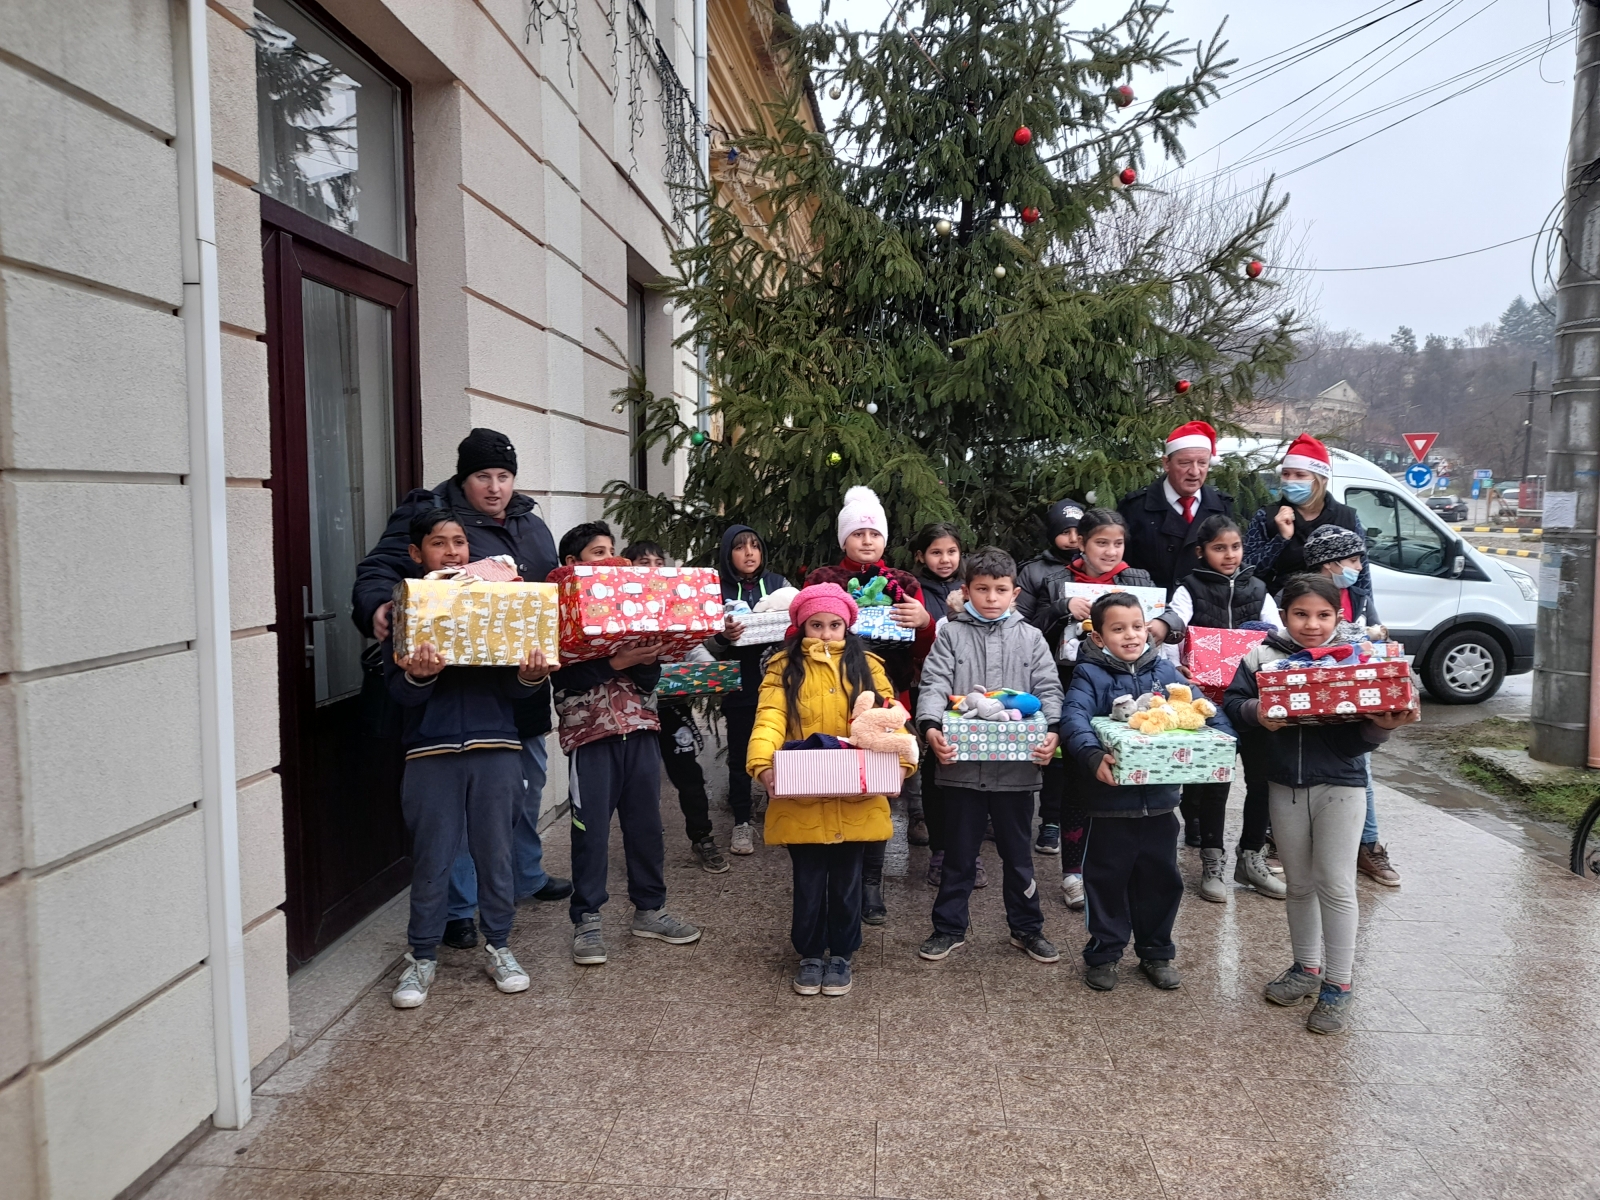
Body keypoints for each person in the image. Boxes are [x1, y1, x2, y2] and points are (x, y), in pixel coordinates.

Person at [351, 428, 570, 952]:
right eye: (481, 476)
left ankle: (525, 874)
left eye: (502, 476)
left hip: (517, 683)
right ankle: (462, 908)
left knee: (525, 786)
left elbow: (549, 589)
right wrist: (381, 606)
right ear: (462, 477)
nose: (493, 487)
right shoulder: (428, 516)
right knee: (465, 809)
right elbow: (378, 571)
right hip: (451, 694)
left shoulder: (531, 523)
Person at [1223, 575, 1418, 1034]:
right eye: (1301, 614)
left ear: (1339, 617)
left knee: (1335, 882)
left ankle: (1339, 984)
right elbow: (1233, 703)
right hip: (1283, 785)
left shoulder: (1357, 660)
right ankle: (1307, 969)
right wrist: (1258, 714)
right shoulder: (1261, 655)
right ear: (1284, 614)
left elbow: (1365, 731)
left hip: (1341, 785)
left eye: (1324, 615)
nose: (1313, 625)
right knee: (1299, 883)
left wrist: (1384, 726)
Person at [385, 511, 546, 1008]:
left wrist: (531, 675)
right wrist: (420, 676)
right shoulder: (408, 606)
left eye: (459, 542)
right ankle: (421, 957)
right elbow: (399, 694)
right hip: (430, 755)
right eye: (439, 543)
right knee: (433, 858)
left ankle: (499, 946)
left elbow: (511, 685)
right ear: (417, 554)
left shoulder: (494, 601)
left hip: (496, 749)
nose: (452, 552)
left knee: (496, 854)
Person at [746, 584, 915, 997]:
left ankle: (841, 953)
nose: (824, 633)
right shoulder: (783, 668)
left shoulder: (867, 666)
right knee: (807, 878)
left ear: (847, 626)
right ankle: (808, 953)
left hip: (856, 792)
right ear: (801, 625)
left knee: (847, 878)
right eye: (816, 625)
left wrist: (902, 764)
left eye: (834, 625)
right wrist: (763, 764)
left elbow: (890, 719)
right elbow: (770, 718)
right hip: (802, 793)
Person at [552, 526, 701, 965]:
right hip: (590, 737)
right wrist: (615, 662)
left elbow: (650, 679)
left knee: (646, 826)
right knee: (590, 832)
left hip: (640, 729)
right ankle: (587, 920)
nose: (612, 561)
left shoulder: (633, 604)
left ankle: (650, 910)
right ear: (573, 564)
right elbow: (562, 676)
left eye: (614, 552)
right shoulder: (562, 613)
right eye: (599, 553)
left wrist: (646, 659)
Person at [1062, 592, 1225, 991]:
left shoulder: (1167, 673)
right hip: (1109, 805)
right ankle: (1104, 952)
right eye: (1118, 629)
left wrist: (1225, 741)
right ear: (1099, 637)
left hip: (1161, 805)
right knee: (1106, 880)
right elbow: (1074, 718)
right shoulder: (1089, 674)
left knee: (1161, 880)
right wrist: (1090, 754)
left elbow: (1205, 713)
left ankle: (1156, 952)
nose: (1131, 636)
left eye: (1137, 626)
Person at [915, 547, 1064, 964]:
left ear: (1015, 593)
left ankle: (1027, 928)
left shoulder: (1030, 637)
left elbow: (1050, 689)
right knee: (958, 855)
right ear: (967, 591)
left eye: (1001, 590)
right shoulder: (951, 635)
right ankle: (948, 928)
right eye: (982, 589)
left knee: (1018, 857)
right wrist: (930, 728)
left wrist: (1052, 730)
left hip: (1016, 773)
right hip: (960, 769)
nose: (992, 598)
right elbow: (933, 685)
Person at [804, 486, 933, 924]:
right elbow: (802, 634)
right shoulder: (824, 578)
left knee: (878, 793)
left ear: (885, 539)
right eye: (856, 532)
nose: (865, 540)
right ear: (843, 539)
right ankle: (840, 877)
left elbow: (924, 652)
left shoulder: (906, 583)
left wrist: (924, 622)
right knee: (838, 788)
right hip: (830, 696)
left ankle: (872, 883)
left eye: (873, 532)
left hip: (890, 698)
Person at [1046, 507, 1185, 909]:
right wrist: (1060, 611)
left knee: (1133, 787)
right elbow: (1036, 624)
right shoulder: (1058, 578)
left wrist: (1163, 625)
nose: (1110, 551)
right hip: (1078, 681)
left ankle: (1128, 867)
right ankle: (1074, 871)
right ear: (1081, 543)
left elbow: (1167, 614)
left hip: (1137, 687)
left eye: (1117, 543)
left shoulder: (1137, 579)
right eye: (1100, 543)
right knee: (1079, 784)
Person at [1166, 515, 1284, 903]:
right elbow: (1174, 627)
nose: (1229, 555)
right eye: (1219, 548)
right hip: (1209, 703)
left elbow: (1278, 636)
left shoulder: (1259, 589)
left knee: (1262, 781)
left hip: (1255, 698)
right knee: (1215, 781)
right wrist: (1176, 665)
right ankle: (1211, 859)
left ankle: (1251, 856)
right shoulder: (1189, 588)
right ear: (1201, 551)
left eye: (1235, 547)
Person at [1301, 525, 1403, 887]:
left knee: (1362, 768)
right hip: (1306, 696)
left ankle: (1368, 845)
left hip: (1355, 697)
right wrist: (1359, 636)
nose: (1359, 566)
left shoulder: (1358, 595)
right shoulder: (1301, 594)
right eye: (1352, 559)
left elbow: (1377, 635)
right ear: (1328, 564)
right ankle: (1276, 841)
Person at [624, 541, 727, 874]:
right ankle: (640, 847)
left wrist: (710, 672)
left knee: (689, 775)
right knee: (639, 782)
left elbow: (694, 649)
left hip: (672, 707)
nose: (653, 568)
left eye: (659, 562)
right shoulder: (618, 608)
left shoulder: (674, 606)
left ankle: (703, 838)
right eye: (643, 562)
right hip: (633, 711)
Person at [703, 525, 791, 857]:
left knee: (782, 750)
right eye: (740, 547)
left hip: (779, 682)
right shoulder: (716, 589)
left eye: (755, 546)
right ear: (728, 554)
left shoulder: (778, 584)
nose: (750, 553)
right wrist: (724, 636)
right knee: (740, 754)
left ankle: (780, 812)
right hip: (739, 684)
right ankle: (742, 821)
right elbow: (707, 644)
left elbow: (796, 622)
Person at [1016, 498, 1085, 865]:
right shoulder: (1036, 571)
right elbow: (1022, 623)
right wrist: (1060, 608)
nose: (1073, 539)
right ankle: (1051, 821)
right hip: (1048, 671)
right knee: (1054, 750)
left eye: (1079, 532)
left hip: (1087, 671)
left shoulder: (1098, 566)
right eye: (1065, 532)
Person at [1242, 433, 1371, 596]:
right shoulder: (1266, 516)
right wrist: (1280, 540)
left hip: (1331, 611)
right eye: (1286, 474)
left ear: (1322, 478)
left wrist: (1367, 613)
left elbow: (1362, 575)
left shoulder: (1346, 518)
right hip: (1276, 609)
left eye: (1300, 475)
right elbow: (1246, 571)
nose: (1290, 480)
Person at [1117, 421, 1234, 595]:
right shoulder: (1135, 508)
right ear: (1166, 463)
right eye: (1185, 463)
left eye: (1202, 463)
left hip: (1203, 610)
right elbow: (1121, 567)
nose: (1194, 472)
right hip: (1149, 611)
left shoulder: (1222, 506)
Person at [908, 522, 965, 862]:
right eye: (936, 552)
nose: (945, 559)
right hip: (924, 681)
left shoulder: (970, 586)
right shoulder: (914, 588)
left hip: (965, 688)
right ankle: (920, 814)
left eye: (951, 552)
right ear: (920, 556)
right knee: (928, 752)